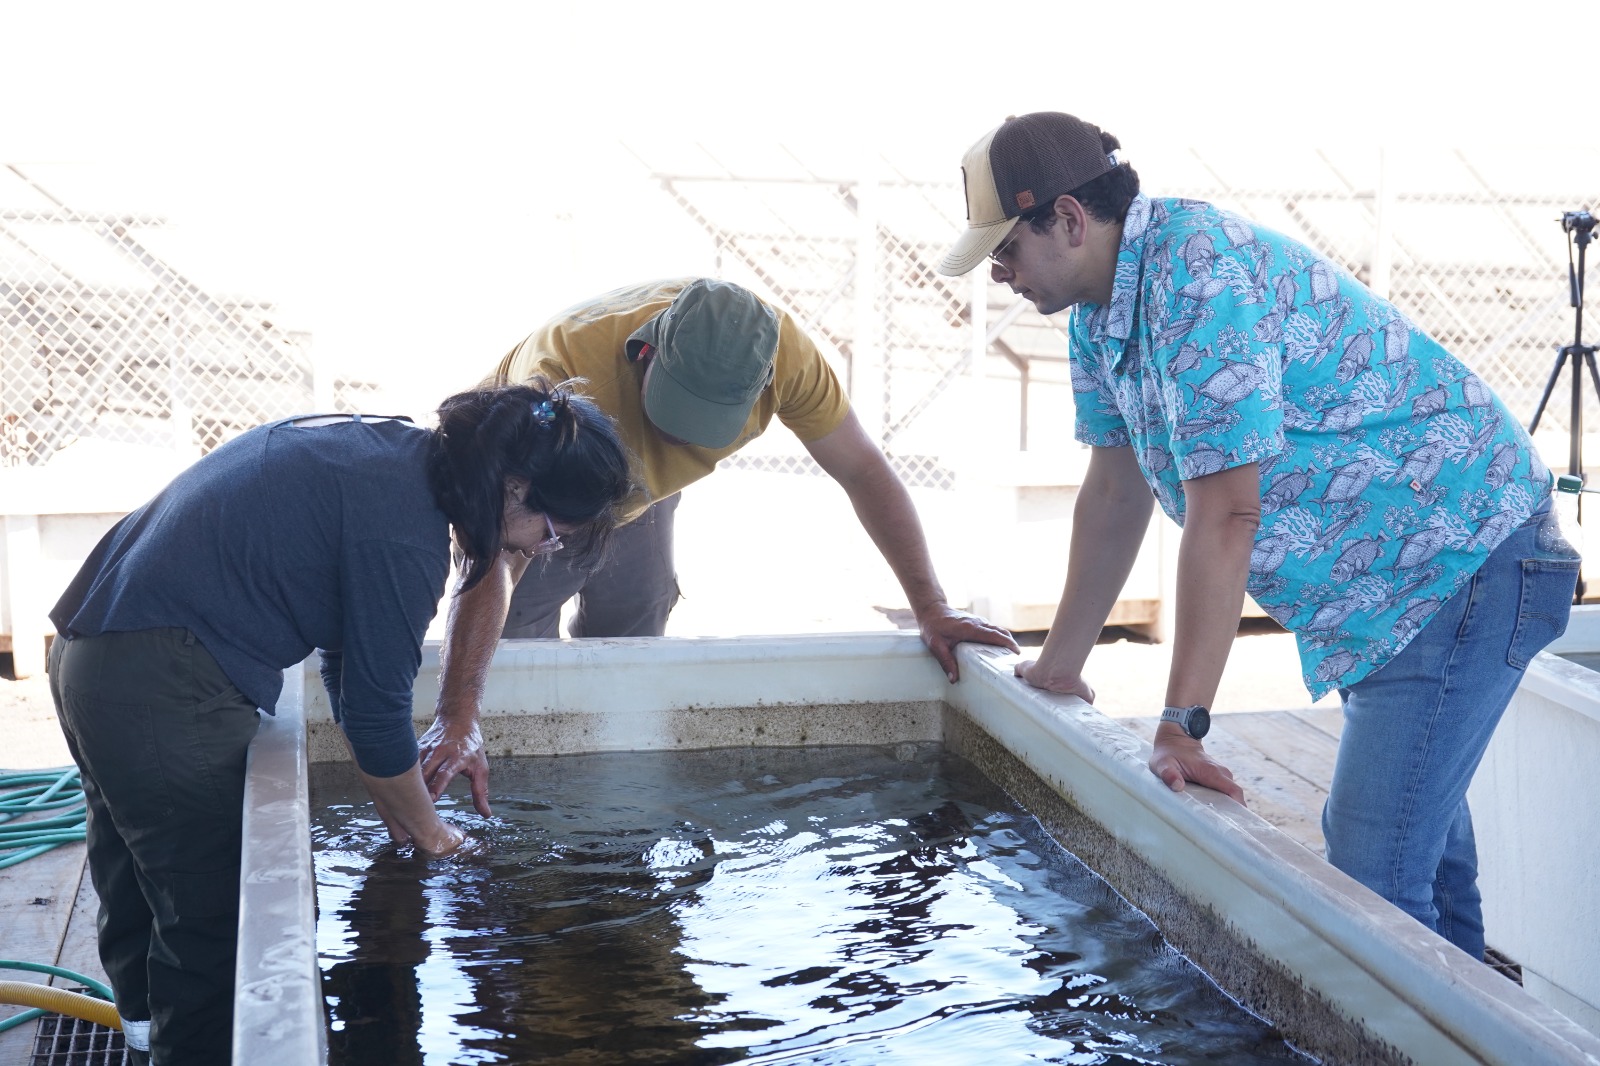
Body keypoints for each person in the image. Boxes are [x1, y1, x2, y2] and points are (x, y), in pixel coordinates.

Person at [936, 111, 1579, 960]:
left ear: (1067, 218)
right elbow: (1114, 494)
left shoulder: (1196, 272)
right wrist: (1060, 663)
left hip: (1461, 558)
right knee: (1416, 865)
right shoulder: (1099, 313)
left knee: (1368, 886)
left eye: (1005, 248)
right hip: (1388, 584)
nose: (1001, 271)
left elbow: (1229, 512)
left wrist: (1182, 725)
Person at [47, 380, 632, 1066]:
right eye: (552, 530)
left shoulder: (390, 456)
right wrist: (439, 840)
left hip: (91, 656)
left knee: (136, 876)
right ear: (513, 488)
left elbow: (347, 664)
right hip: (162, 684)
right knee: (222, 926)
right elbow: (381, 718)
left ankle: (144, 1035)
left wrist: (399, 794)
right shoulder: (406, 535)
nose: (542, 549)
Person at [419, 277, 1019, 813]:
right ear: (646, 352)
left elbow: (863, 471)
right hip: (540, 491)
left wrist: (931, 607)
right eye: (674, 412)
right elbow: (497, 552)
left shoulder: (788, 359)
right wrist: (457, 714)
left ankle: (608, 793)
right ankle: (509, 792)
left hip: (645, 490)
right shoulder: (566, 369)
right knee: (514, 649)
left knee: (638, 617)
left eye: (706, 422)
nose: (682, 436)